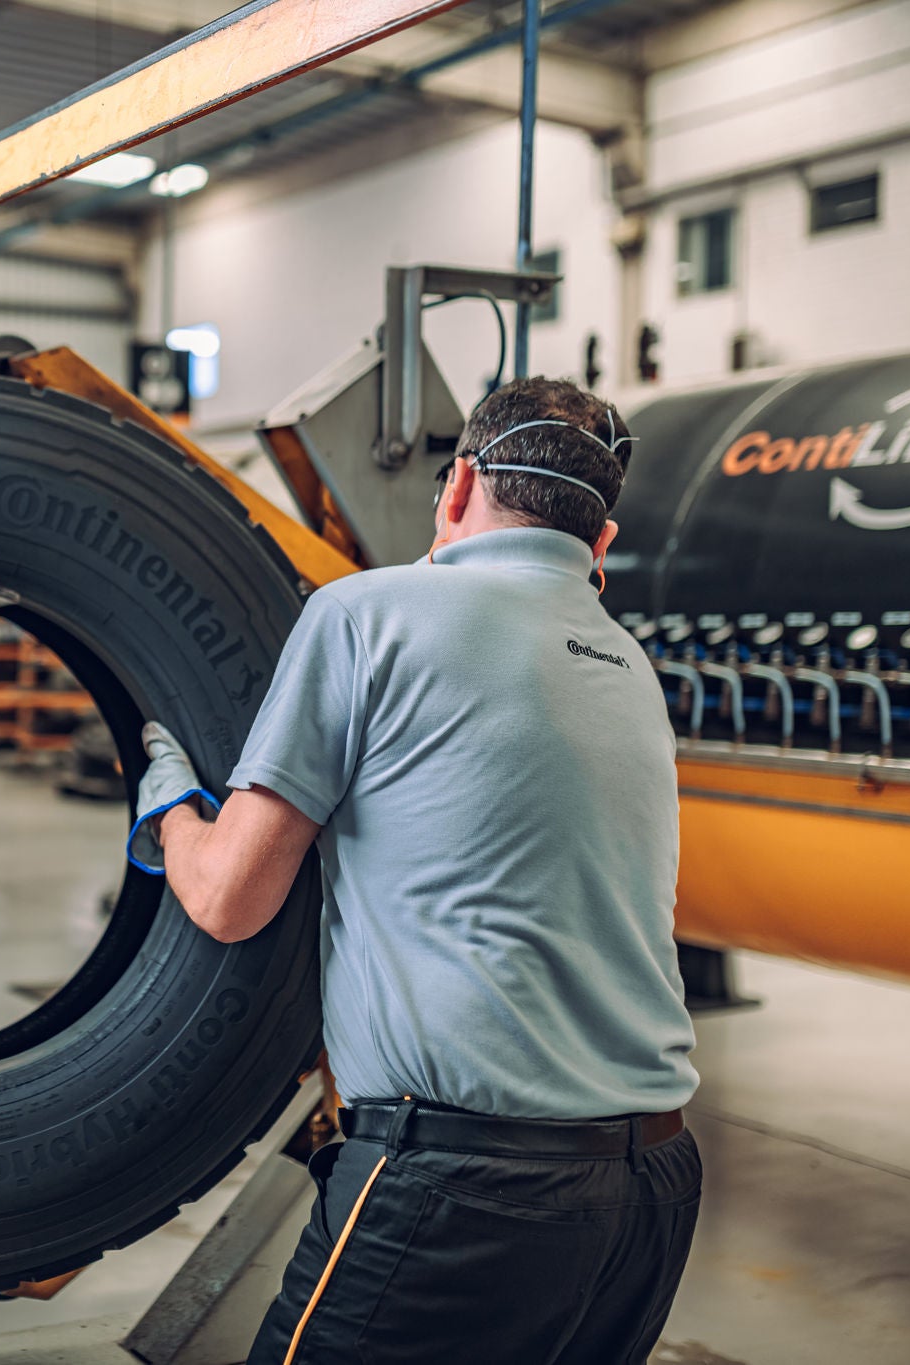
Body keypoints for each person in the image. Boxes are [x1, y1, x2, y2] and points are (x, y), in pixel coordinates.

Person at [127, 376, 701, 1364]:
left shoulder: (366, 614)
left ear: (457, 486)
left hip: (467, 1188)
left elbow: (228, 898)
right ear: (597, 546)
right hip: (649, 1192)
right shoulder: (625, 662)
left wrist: (168, 804)